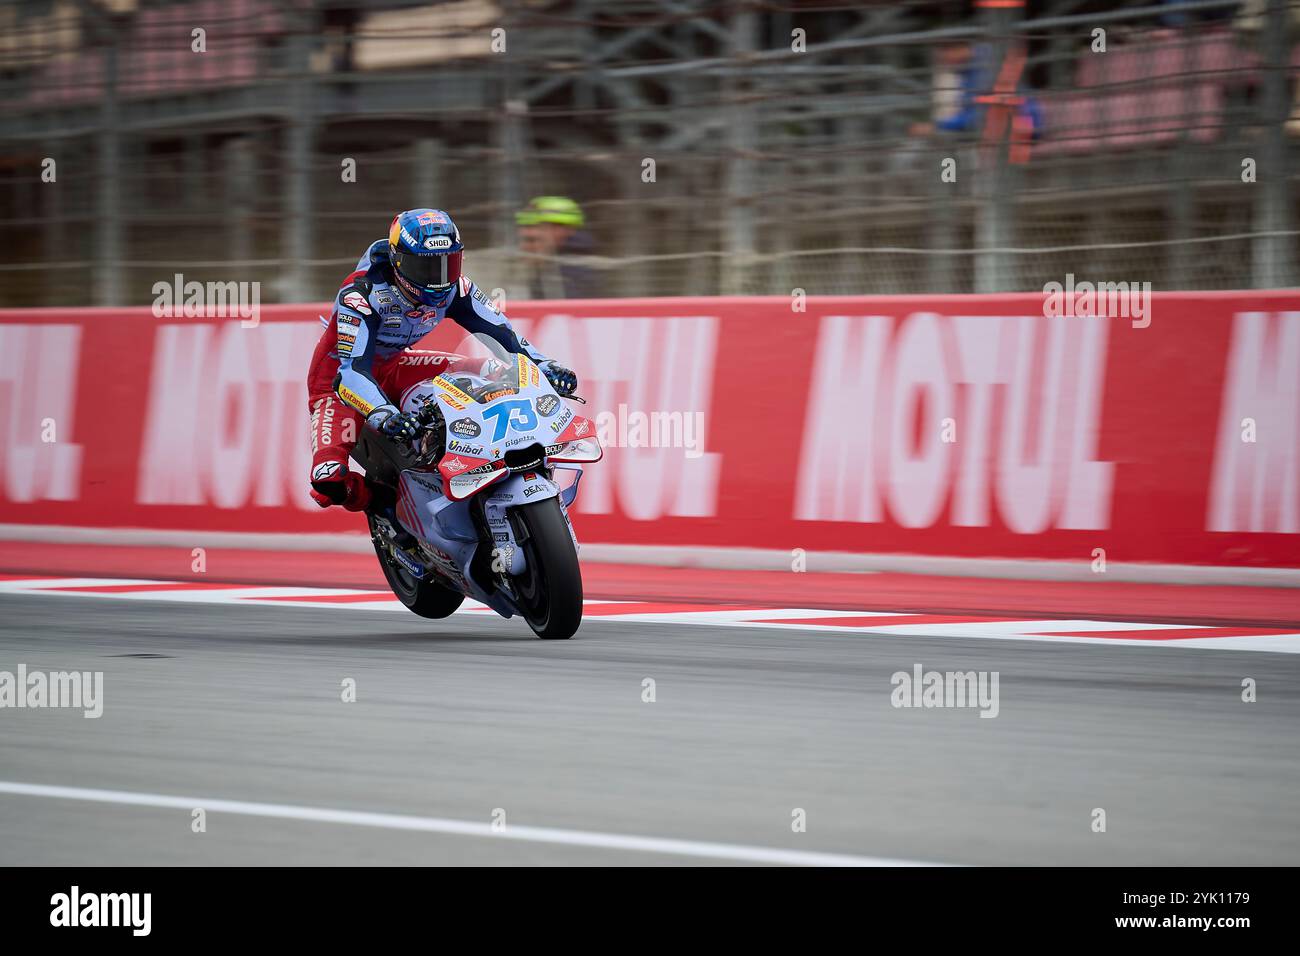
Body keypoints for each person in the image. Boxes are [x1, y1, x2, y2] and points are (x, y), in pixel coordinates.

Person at [306, 207, 579, 512]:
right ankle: (377, 502)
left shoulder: (457, 288)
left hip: (397, 366)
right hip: (340, 384)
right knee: (327, 479)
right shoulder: (361, 296)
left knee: (491, 372)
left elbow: (505, 336)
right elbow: (352, 372)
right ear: (398, 262)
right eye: (426, 268)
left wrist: (544, 366)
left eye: (448, 264)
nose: (438, 280)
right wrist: (383, 413)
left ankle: (473, 462)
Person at [515, 196, 600, 299]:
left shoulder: (568, 280)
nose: (524, 248)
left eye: (532, 240)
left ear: (560, 232)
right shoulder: (549, 271)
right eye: (522, 240)